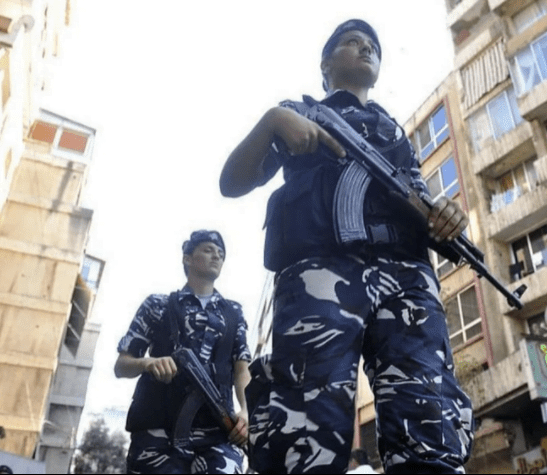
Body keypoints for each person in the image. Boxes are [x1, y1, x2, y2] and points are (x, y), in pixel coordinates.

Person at [220, 19, 474, 474]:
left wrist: (447, 215)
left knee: (427, 412)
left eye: (373, 44)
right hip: (321, 270)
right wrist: (273, 121)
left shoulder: (392, 132)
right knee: (307, 421)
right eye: (352, 42)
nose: (366, 48)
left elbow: (420, 198)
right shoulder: (301, 112)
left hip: (405, 275)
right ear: (326, 64)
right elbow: (232, 182)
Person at [114, 230, 251, 474]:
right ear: (187, 258)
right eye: (208, 250)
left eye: (221, 254)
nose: (216, 256)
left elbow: (242, 370)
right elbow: (122, 365)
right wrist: (148, 363)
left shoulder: (233, 313)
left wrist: (246, 410)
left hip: (217, 432)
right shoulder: (158, 305)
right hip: (158, 432)